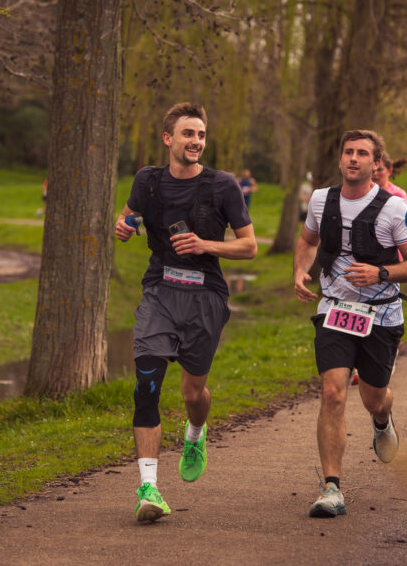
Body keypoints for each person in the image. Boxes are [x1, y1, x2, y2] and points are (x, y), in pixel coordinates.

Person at [114, 102, 256, 523]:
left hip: (205, 297)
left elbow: (249, 246)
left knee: (193, 393)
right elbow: (128, 218)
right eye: (187, 134)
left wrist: (205, 245)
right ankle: (149, 488)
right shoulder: (148, 180)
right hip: (159, 291)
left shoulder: (223, 186)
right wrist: (123, 227)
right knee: (146, 386)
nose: (195, 141)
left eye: (201, 135)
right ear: (168, 139)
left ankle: (195, 433)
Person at [294, 129, 407, 518]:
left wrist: (381, 272)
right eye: (348, 152)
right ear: (340, 160)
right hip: (334, 309)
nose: (353, 159)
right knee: (333, 393)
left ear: (376, 164)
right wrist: (300, 271)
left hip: (381, 314)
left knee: (373, 398)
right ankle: (332, 489)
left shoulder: (393, 208)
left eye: (362, 154)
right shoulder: (321, 199)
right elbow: (307, 239)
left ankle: (383, 420)